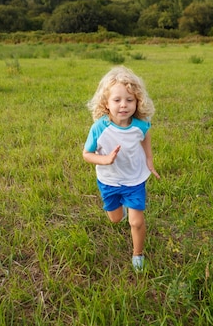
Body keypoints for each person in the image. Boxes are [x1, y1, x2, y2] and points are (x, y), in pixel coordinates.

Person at [83, 66, 160, 272]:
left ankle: (138, 254)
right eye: (117, 100)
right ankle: (122, 209)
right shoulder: (100, 127)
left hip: (134, 179)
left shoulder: (140, 125)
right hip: (109, 180)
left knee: (136, 222)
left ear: (137, 102)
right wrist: (105, 159)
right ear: (106, 104)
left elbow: (146, 137)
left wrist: (149, 160)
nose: (123, 105)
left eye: (129, 100)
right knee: (116, 219)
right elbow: (86, 154)